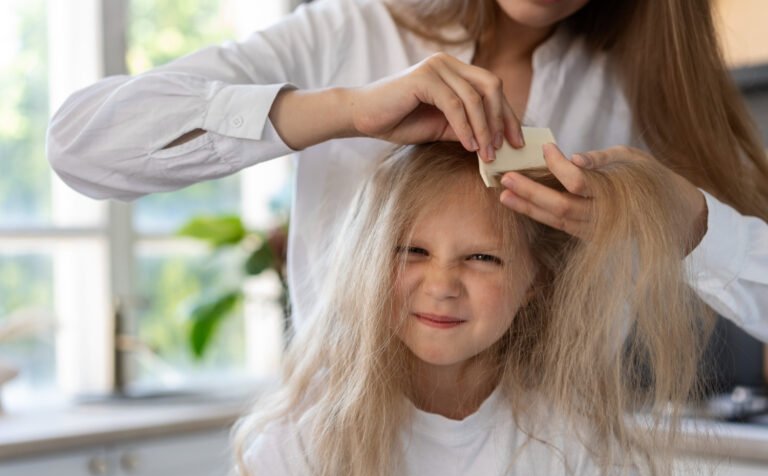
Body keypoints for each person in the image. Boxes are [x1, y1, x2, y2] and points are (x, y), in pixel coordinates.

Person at [46, 0, 768, 342]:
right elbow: (81, 145)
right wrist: (342, 112)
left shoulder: (641, 96)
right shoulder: (344, 35)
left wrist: (694, 226)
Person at [230, 141, 710, 476]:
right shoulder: (316, 431)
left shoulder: (572, 441)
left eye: (482, 258)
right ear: (368, 261)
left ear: (535, 281)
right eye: (412, 251)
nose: (442, 285)